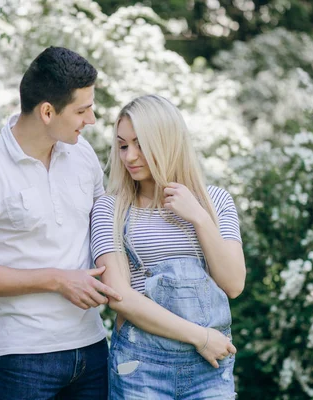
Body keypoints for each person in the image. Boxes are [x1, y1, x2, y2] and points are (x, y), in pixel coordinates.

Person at [0, 47, 121, 400]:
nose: (92, 120)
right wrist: (56, 280)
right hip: (21, 359)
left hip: (92, 349)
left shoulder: (82, 153)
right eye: (82, 110)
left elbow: (106, 232)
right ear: (47, 111)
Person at [91, 94, 246, 399]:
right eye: (123, 145)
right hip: (140, 369)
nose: (129, 157)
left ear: (168, 142)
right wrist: (200, 337)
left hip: (210, 370)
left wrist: (199, 218)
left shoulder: (215, 202)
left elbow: (233, 284)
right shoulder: (110, 209)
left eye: (140, 145)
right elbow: (120, 298)